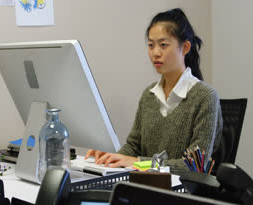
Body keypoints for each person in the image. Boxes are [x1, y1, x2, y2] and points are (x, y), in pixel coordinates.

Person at [85, 8, 223, 174]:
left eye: (163, 45)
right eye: (151, 45)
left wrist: (138, 163)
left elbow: (195, 165)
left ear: (185, 47)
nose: (155, 53)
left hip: (183, 193)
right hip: (147, 186)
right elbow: (133, 146)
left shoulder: (205, 97)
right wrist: (111, 158)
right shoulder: (149, 94)